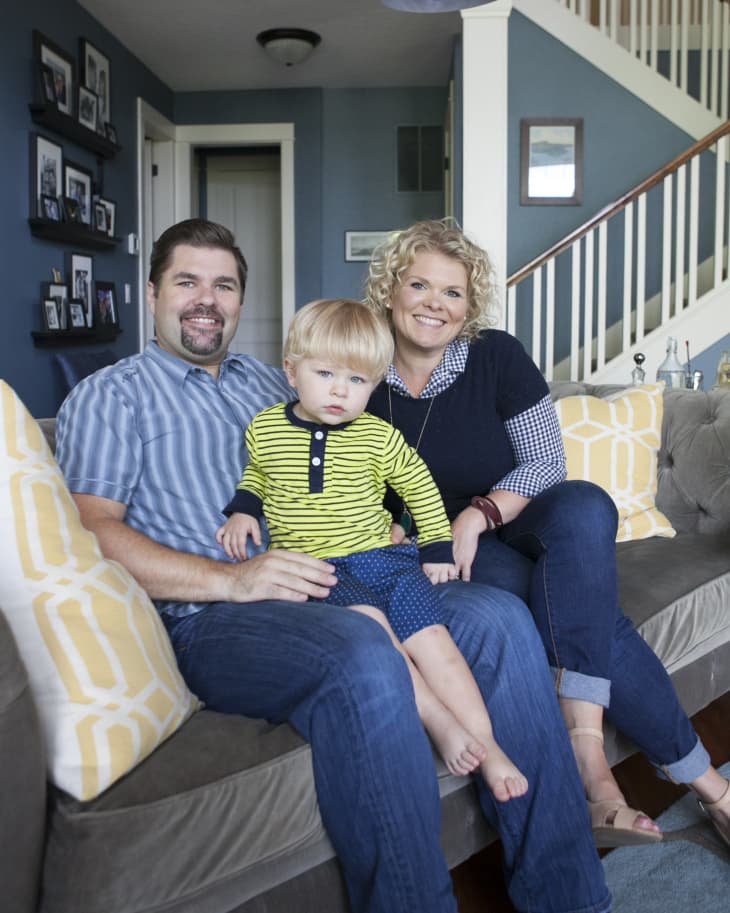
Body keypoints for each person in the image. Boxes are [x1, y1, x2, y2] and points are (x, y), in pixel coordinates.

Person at [55, 218, 613, 913]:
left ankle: (569, 898)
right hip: (217, 617)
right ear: (153, 291)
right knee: (363, 648)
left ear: (240, 299)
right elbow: (92, 532)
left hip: (335, 576)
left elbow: (353, 465)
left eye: (223, 284)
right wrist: (236, 578)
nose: (207, 299)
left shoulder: (273, 380)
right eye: (187, 282)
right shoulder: (113, 395)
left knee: (500, 618)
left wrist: (383, 523)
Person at [364, 217, 730, 850]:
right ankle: (709, 791)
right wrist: (396, 527)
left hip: (512, 511)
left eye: (453, 292)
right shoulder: (358, 371)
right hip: (441, 549)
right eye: (419, 284)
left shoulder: (495, 354)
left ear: (469, 305)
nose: (434, 304)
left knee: (586, 504)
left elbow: (544, 461)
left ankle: (591, 767)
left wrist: (478, 513)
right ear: (390, 289)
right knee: (572, 610)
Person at [216, 297, 527, 800]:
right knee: (373, 630)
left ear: (375, 384)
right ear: (292, 373)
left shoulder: (378, 437)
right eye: (326, 374)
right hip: (319, 572)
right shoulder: (266, 428)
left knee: (437, 648)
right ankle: (439, 722)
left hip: (386, 562)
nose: (341, 391)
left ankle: (490, 747)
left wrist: (436, 548)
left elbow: (420, 488)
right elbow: (259, 475)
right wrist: (243, 510)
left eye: (358, 381)